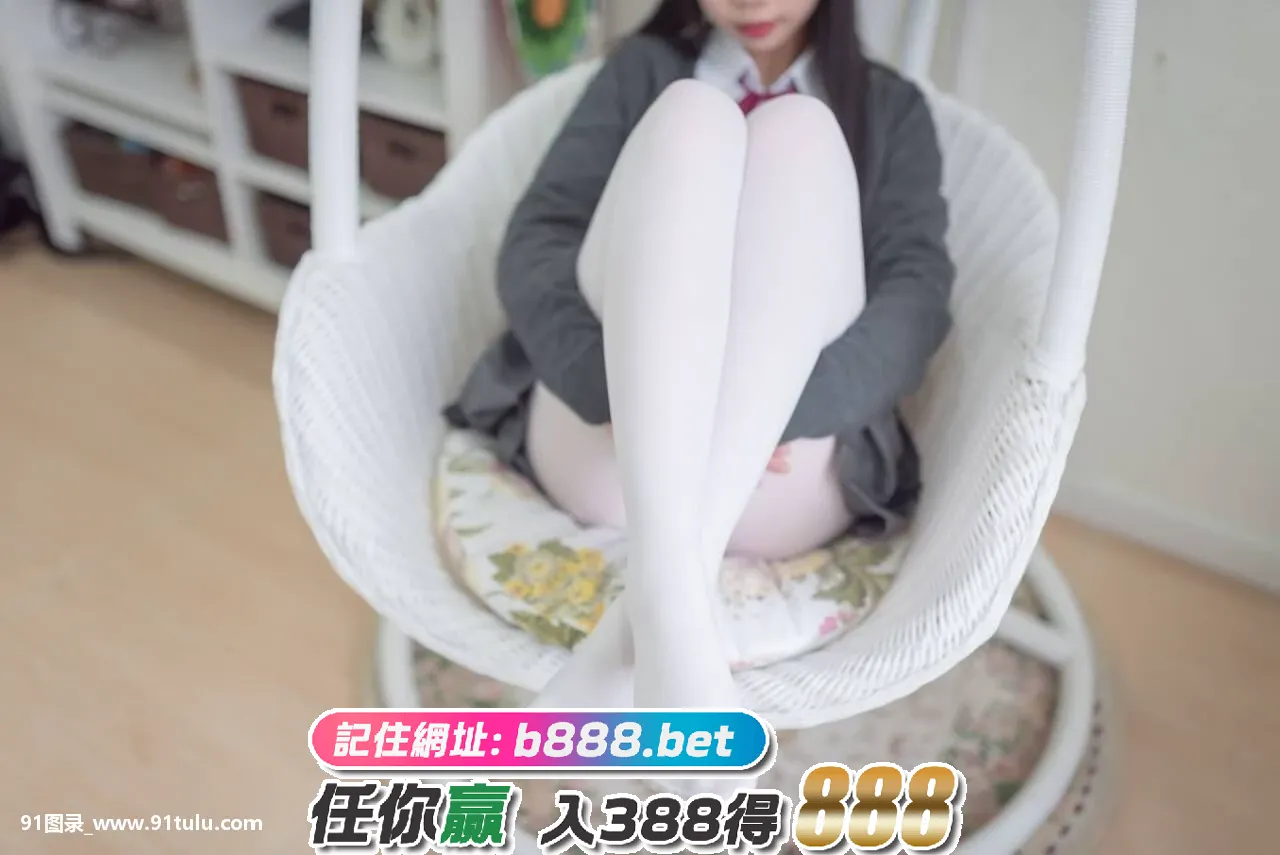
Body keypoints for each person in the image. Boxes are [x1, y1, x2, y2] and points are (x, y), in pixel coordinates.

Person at [446, 0, 954, 722]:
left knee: (800, 133)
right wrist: (633, 392)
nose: (751, 2)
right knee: (691, 116)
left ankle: (650, 614)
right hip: (609, 446)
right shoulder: (644, 70)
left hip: (787, 468)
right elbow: (537, 243)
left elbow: (917, 299)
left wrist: (775, 412)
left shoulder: (890, 109)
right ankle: (675, 616)